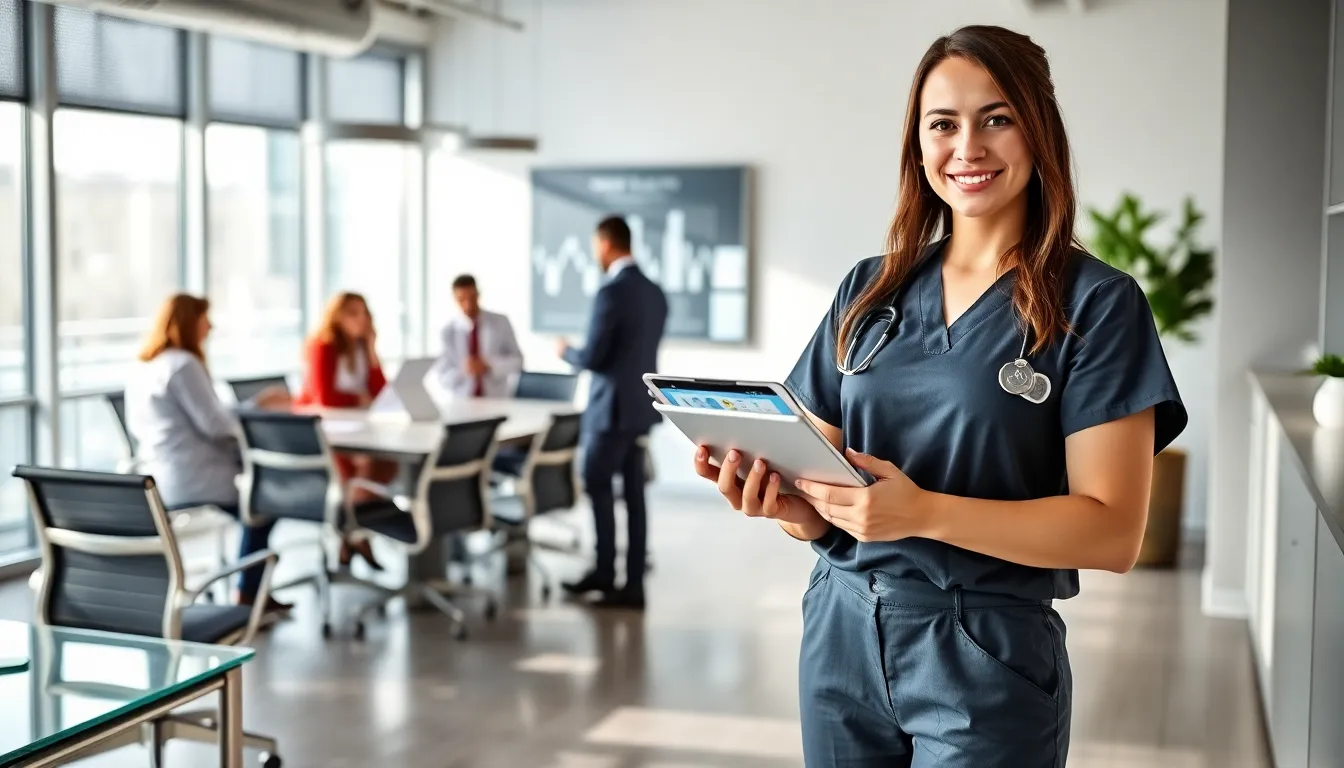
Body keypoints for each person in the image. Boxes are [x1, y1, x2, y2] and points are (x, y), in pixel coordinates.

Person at [693, 25, 1188, 766]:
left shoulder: (1096, 306)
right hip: (839, 633)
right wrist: (793, 511)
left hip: (984, 656)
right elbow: (825, 480)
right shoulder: (869, 289)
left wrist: (922, 511)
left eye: (997, 118)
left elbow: (1112, 533)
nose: (968, 148)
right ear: (917, 145)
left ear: (1038, 130)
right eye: (943, 124)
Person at [125, 294, 293, 613]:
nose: (211, 326)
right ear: (190, 322)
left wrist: (248, 407)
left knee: (256, 504)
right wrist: (256, 418)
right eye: (205, 320)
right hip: (196, 476)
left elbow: (206, 415)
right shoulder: (184, 365)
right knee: (263, 506)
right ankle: (248, 593)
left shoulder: (145, 366)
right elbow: (216, 425)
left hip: (158, 474)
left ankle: (251, 590)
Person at [557, 215, 668, 609]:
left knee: (597, 487)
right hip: (640, 408)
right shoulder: (655, 292)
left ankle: (605, 573)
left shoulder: (611, 292)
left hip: (610, 413)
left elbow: (595, 357)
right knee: (635, 497)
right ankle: (632, 583)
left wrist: (565, 351)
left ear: (605, 244)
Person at [294, 291, 397, 571]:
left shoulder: (362, 346)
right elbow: (324, 397)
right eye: (353, 313)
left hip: (356, 425)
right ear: (338, 317)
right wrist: (358, 399)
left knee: (387, 462)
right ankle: (354, 532)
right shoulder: (323, 346)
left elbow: (379, 392)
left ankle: (352, 533)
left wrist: (373, 349)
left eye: (364, 313)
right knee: (365, 463)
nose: (361, 320)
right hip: (324, 430)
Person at [432, 274, 524, 398]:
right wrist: (464, 370)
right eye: (462, 300)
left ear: (478, 294)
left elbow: (518, 362)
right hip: (462, 401)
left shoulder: (501, 322)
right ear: (454, 299)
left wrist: (489, 366)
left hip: (496, 398)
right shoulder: (447, 332)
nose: (468, 305)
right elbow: (442, 378)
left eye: (472, 298)